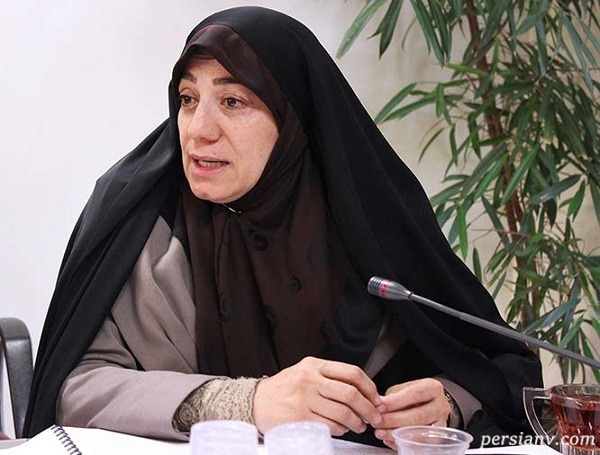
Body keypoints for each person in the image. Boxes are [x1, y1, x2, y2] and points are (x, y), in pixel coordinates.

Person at [24, 6, 542, 449]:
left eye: (233, 101)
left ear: (293, 118)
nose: (198, 130)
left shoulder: (369, 220)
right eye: (187, 99)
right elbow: (74, 387)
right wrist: (243, 402)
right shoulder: (138, 218)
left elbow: (506, 371)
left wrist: (449, 402)